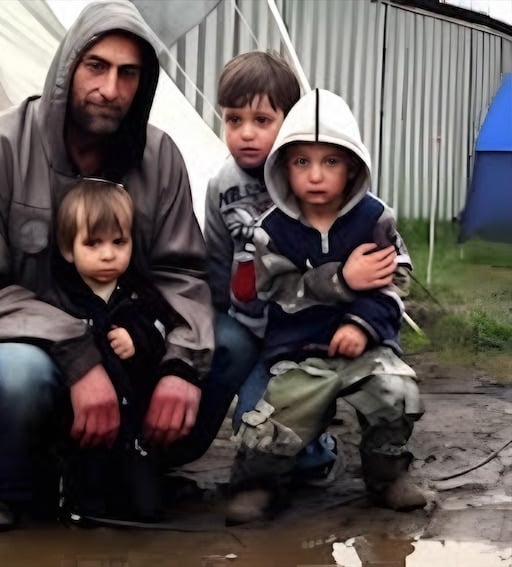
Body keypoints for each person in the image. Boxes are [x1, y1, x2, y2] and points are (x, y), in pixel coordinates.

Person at [0, 0, 213, 531]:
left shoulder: (160, 156)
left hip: (125, 344)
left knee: (228, 343)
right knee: (10, 374)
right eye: (96, 67)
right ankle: (6, 482)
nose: (110, 89)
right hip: (25, 351)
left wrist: (181, 365)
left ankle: (137, 469)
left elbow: (183, 275)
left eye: (129, 74)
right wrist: (78, 352)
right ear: (66, 68)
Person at [225, 88, 426, 525]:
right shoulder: (270, 231)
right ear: (283, 166)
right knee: (268, 426)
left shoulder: (375, 219)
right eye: (302, 162)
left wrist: (361, 324)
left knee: (397, 392)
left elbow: (395, 281)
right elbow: (274, 290)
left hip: (367, 350)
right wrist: (340, 281)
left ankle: (386, 477)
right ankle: (259, 487)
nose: (315, 175)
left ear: (352, 166)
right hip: (298, 352)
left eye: (330, 162)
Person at [204, 52, 400, 482]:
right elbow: (216, 256)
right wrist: (217, 316)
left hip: (305, 329)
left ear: (290, 123)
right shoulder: (221, 184)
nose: (247, 134)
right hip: (247, 321)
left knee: (304, 456)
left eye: (261, 120)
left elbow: (372, 270)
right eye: (234, 120)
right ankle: (194, 436)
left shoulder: (315, 187)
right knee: (253, 429)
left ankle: (322, 444)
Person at [55, 179, 180, 522]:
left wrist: (137, 338)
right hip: (80, 424)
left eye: (118, 242)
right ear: (68, 249)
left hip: (133, 422)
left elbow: (164, 327)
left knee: (144, 508)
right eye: (93, 243)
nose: (108, 254)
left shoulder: (139, 291)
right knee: (85, 495)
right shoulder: (63, 297)